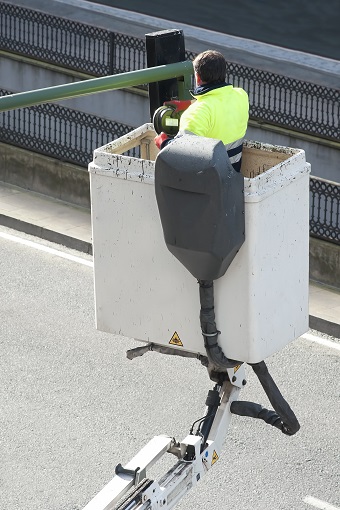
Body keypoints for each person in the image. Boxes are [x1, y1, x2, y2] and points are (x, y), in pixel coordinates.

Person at [155, 50, 249, 172]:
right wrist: (190, 104)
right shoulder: (241, 95)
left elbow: (180, 155)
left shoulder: (195, 114)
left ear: (198, 77)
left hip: (207, 182)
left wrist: (163, 143)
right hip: (233, 174)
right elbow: (219, 103)